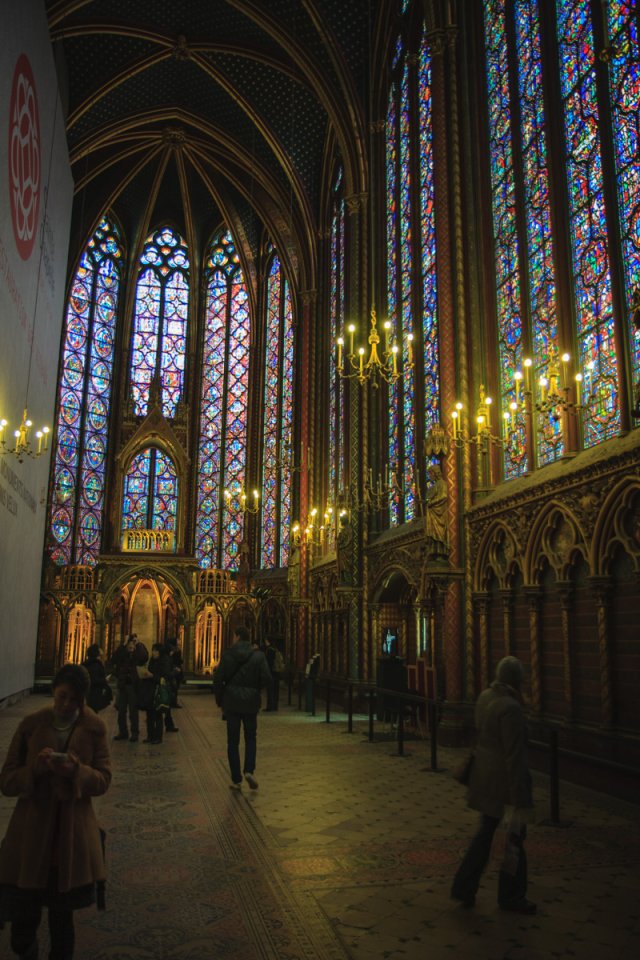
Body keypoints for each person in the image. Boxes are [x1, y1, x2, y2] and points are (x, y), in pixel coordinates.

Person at [0, 663, 111, 960]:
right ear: (53, 691)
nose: (65, 704)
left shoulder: (94, 728)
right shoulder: (31, 725)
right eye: (61, 696)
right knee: (23, 921)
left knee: (62, 922)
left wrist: (77, 771)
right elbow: (7, 780)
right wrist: (34, 770)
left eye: (73, 699)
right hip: (31, 834)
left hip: (70, 836)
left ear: (83, 699)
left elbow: (103, 779)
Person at [450, 656, 536, 914]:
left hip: (483, 777)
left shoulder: (485, 697)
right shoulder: (511, 707)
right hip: (504, 784)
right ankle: (511, 895)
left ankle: (464, 886)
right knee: (513, 841)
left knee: (485, 835)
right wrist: (520, 797)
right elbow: (514, 755)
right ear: (516, 680)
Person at [213, 626, 272, 790]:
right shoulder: (258, 656)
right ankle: (249, 771)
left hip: (231, 701)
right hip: (250, 702)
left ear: (237, 637)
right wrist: (255, 690)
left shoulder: (228, 655)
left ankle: (236, 779)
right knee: (251, 737)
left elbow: (218, 680)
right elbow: (267, 678)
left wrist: (220, 701)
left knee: (232, 741)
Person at [110, 635, 148, 742]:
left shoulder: (137, 655)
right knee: (121, 710)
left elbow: (144, 657)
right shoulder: (123, 655)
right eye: (129, 644)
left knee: (133, 711)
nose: (131, 646)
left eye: (133, 644)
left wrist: (139, 644)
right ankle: (123, 732)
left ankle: (134, 733)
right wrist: (123, 644)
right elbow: (114, 659)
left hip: (133, 685)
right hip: (122, 685)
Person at [138, 643, 172, 744]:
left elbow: (164, 678)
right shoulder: (152, 661)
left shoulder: (164, 662)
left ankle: (157, 737)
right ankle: (150, 735)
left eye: (156, 651)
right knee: (149, 714)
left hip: (158, 691)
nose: (154, 653)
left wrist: (152, 676)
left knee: (157, 714)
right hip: (150, 690)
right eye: (153, 650)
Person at [82, 644, 112, 713]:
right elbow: (94, 679)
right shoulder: (95, 665)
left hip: (91, 693)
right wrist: (105, 680)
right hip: (94, 693)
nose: (102, 650)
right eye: (100, 649)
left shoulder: (91, 663)